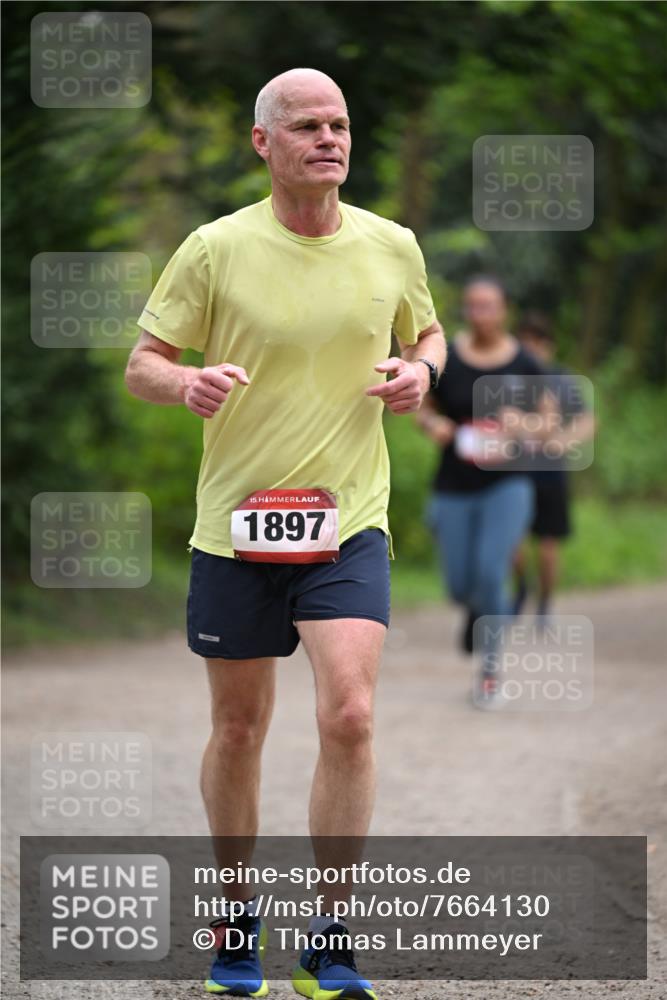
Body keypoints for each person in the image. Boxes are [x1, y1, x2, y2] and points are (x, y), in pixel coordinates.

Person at [125, 68, 445, 1000]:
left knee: (349, 713)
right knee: (238, 726)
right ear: (263, 143)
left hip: (348, 522)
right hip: (235, 530)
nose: (328, 137)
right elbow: (144, 363)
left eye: (339, 122)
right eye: (305, 124)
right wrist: (184, 385)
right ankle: (234, 915)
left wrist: (421, 373)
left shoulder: (392, 246)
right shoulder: (215, 248)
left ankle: (330, 936)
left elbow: (428, 339)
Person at [416, 276, 544, 707]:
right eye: (472, 306)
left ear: (504, 309)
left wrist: (520, 424)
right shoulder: (448, 356)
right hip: (453, 483)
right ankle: (482, 607)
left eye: (488, 306)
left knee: (491, 572)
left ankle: (490, 671)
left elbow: (549, 420)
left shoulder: (525, 362)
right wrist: (435, 425)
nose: (480, 314)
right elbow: (423, 406)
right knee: (458, 585)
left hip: (507, 484)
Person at [513, 311, 595, 622]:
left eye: (538, 343)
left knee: (548, 545)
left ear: (550, 347)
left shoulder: (563, 381)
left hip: (549, 472)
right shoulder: (507, 379)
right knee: (512, 542)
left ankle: (545, 602)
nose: (532, 350)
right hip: (514, 471)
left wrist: (564, 439)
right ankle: (521, 589)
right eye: (525, 343)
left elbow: (587, 420)